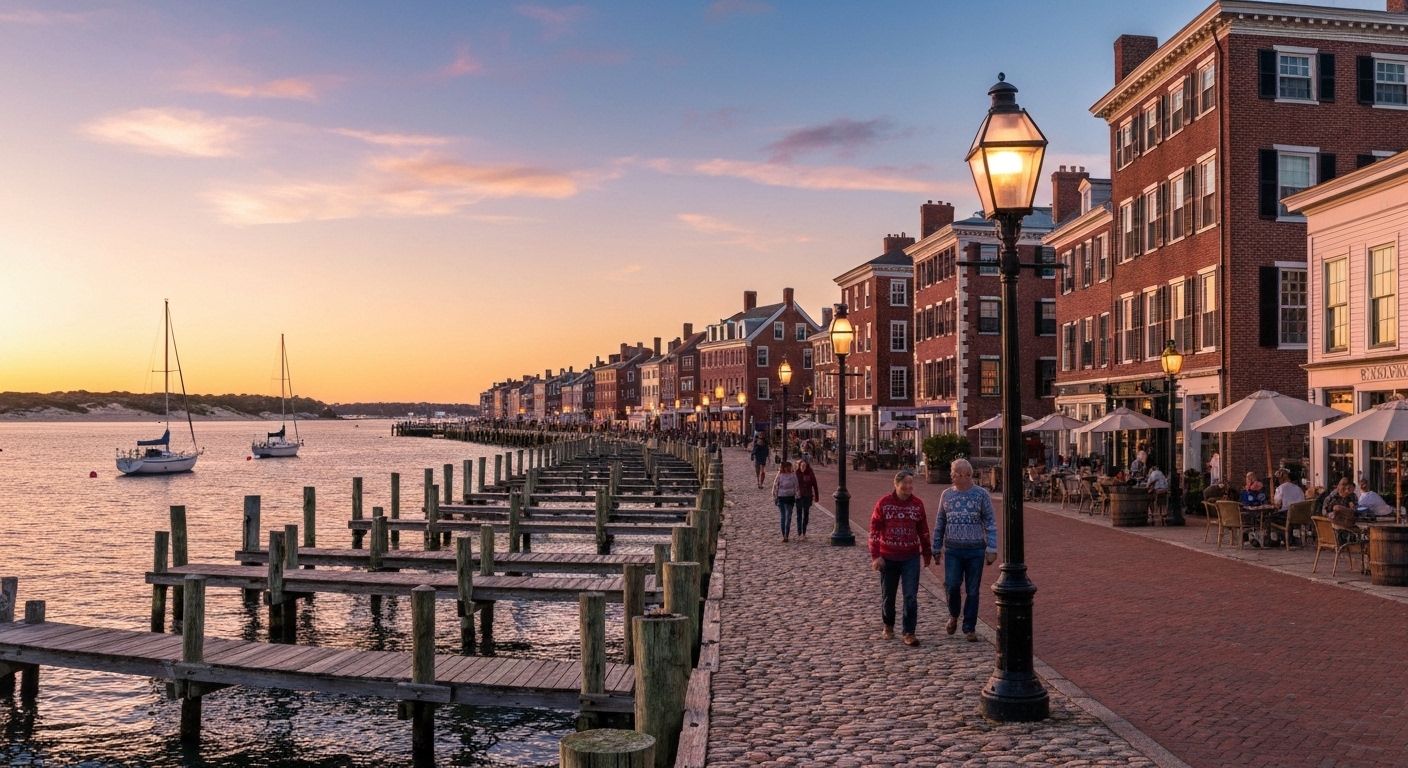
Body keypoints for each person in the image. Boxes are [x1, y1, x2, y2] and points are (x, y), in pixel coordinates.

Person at [931, 458, 997, 643]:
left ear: (966, 475)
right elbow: (940, 523)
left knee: (973, 591)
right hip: (953, 549)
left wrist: (992, 547)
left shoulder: (981, 495)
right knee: (952, 585)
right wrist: (936, 547)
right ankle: (953, 614)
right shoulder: (946, 495)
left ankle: (969, 627)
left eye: (954, 474)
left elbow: (990, 522)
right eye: (952, 473)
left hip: (975, 550)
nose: (951, 476)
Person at [869, 470, 932, 646]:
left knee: (910, 595)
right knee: (888, 595)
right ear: (896, 485)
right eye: (904, 484)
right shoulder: (884, 504)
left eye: (911, 484)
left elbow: (923, 531)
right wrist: (876, 556)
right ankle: (888, 624)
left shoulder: (917, 505)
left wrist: (927, 552)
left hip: (910, 556)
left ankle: (909, 632)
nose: (908, 487)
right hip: (888, 557)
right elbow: (874, 531)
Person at [772, 460, 798, 543]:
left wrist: (775, 498)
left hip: (783, 497)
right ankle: (786, 534)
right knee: (787, 517)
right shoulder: (792, 476)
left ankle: (785, 534)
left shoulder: (780, 476)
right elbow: (796, 488)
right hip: (787, 498)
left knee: (784, 517)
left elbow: (775, 488)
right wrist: (797, 497)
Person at [794, 458, 820, 541]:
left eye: (804, 466)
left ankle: (804, 532)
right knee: (799, 514)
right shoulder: (797, 473)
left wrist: (816, 497)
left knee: (806, 514)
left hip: (807, 496)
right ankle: (799, 532)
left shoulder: (810, 474)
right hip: (799, 496)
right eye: (801, 466)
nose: (803, 468)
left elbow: (815, 485)